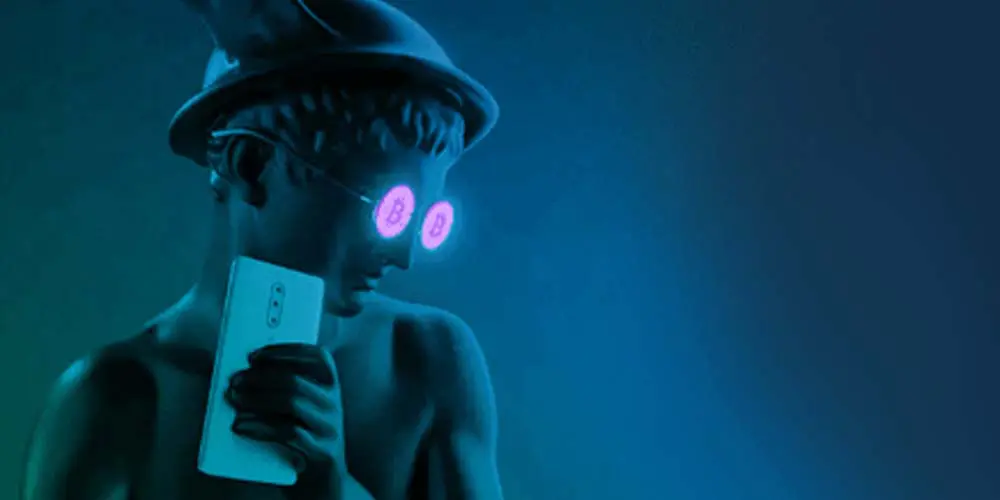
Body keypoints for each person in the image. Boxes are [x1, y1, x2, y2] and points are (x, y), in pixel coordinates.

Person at [20, 1, 503, 499]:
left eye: (426, 222)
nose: (403, 258)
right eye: (390, 212)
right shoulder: (118, 400)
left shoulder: (427, 359)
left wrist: (334, 487)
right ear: (252, 164)